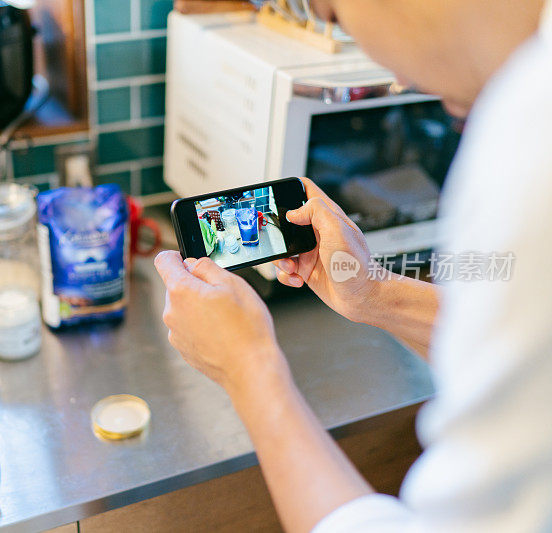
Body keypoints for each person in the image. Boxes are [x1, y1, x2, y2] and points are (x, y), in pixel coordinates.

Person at [154, 0, 552, 531]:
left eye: (335, 16)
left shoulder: (530, 149)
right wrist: (372, 292)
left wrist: (248, 367)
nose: (389, 71)